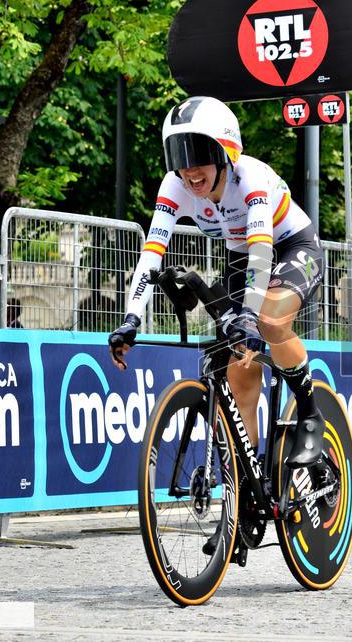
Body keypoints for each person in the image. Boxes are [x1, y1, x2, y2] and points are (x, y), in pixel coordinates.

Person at [108, 95, 325, 474]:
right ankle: (246, 489)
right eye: (179, 156)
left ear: (225, 151)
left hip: (291, 245)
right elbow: (151, 253)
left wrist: (249, 316)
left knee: (270, 321)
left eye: (199, 154)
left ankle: (310, 414)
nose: (189, 170)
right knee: (236, 367)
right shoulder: (174, 186)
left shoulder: (250, 177)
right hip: (242, 258)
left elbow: (262, 247)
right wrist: (131, 319)